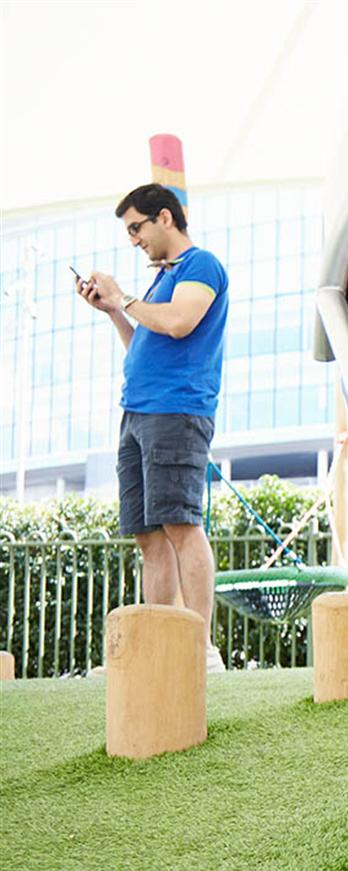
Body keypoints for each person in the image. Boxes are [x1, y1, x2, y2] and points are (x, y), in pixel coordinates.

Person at [76, 184, 229, 673]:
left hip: (176, 412)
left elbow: (181, 322)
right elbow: (146, 343)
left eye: (137, 228)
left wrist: (125, 296)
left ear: (165, 218)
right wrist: (113, 310)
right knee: (148, 535)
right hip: (138, 414)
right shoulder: (161, 282)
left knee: (181, 525)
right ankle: (158, 648)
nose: (134, 240)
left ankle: (200, 650)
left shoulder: (200, 266)